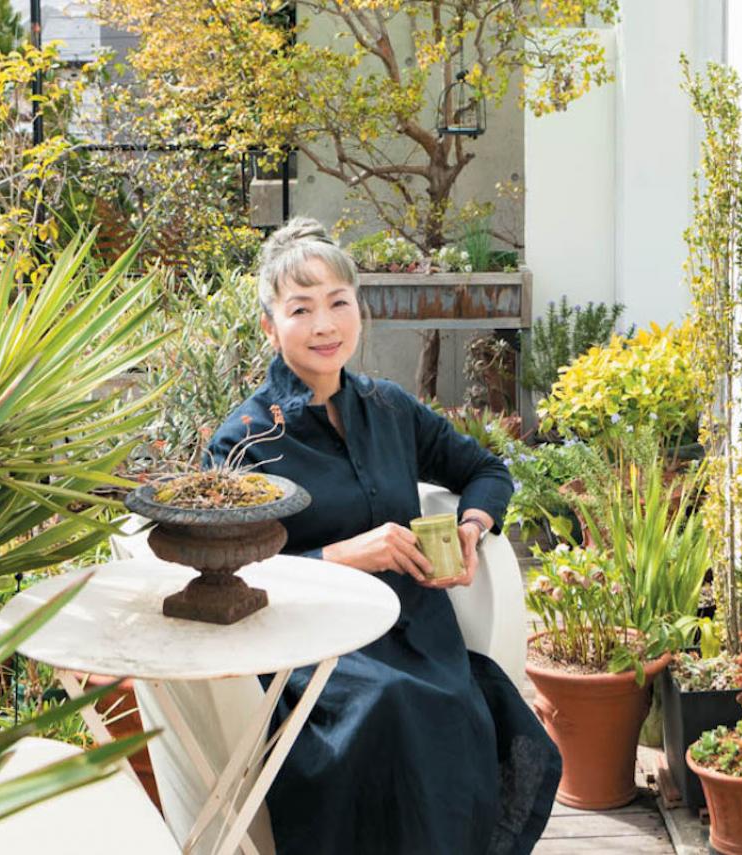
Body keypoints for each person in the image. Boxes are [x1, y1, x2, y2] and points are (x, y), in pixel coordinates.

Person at [207, 218, 561, 855]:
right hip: (314, 649)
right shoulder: (246, 440)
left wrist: (472, 528)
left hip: (414, 630)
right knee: (389, 710)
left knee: (463, 712)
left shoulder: (391, 408)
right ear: (270, 327)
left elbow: (486, 470)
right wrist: (342, 556)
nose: (325, 325)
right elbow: (231, 574)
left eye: (339, 303)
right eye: (301, 309)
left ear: (359, 312)